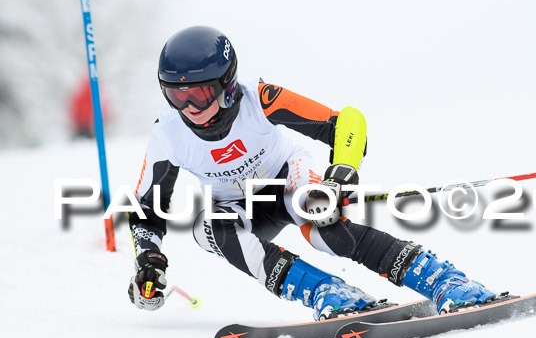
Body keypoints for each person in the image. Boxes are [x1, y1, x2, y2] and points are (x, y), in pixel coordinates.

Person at [127, 26, 496, 320]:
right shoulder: (167, 136)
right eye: (177, 96)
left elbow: (346, 121)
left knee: (321, 223)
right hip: (237, 207)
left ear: (227, 84)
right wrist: (149, 259)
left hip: (287, 178)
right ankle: (326, 291)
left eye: (201, 93)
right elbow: (146, 209)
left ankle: (442, 279)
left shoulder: (259, 98)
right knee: (203, 229)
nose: (189, 107)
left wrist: (340, 175)